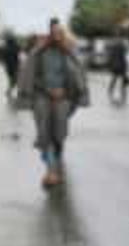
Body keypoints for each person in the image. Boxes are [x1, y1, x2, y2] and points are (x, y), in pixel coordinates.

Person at [17, 18, 89, 188]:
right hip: (42, 98)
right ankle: (51, 170)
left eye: (60, 33)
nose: (57, 36)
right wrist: (48, 90)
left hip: (63, 100)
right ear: (49, 34)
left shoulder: (68, 53)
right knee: (44, 135)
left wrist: (66, 92)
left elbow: (77, 77)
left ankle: (55, 164)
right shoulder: (39, 53)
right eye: (54, 33)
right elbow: (30, 76)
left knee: (59, 135)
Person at [107, 36, 129, 101]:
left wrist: (110, 65)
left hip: (115, 66)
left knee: (114, 78)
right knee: (122, 78)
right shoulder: (122, 48)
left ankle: (111, 89)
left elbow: (111, 57)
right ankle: (123, 89)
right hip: (121, 66)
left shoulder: (114, 48)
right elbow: (123, 58)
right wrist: (125, 66)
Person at [1, 32, 22, 99]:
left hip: (9, 67)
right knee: (16, 80)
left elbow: (3, 58)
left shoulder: (5, 47)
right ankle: (12, 91)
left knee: (12, 80)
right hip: (15, 66)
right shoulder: (16, 46)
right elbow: (19, 54)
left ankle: (10, 91)